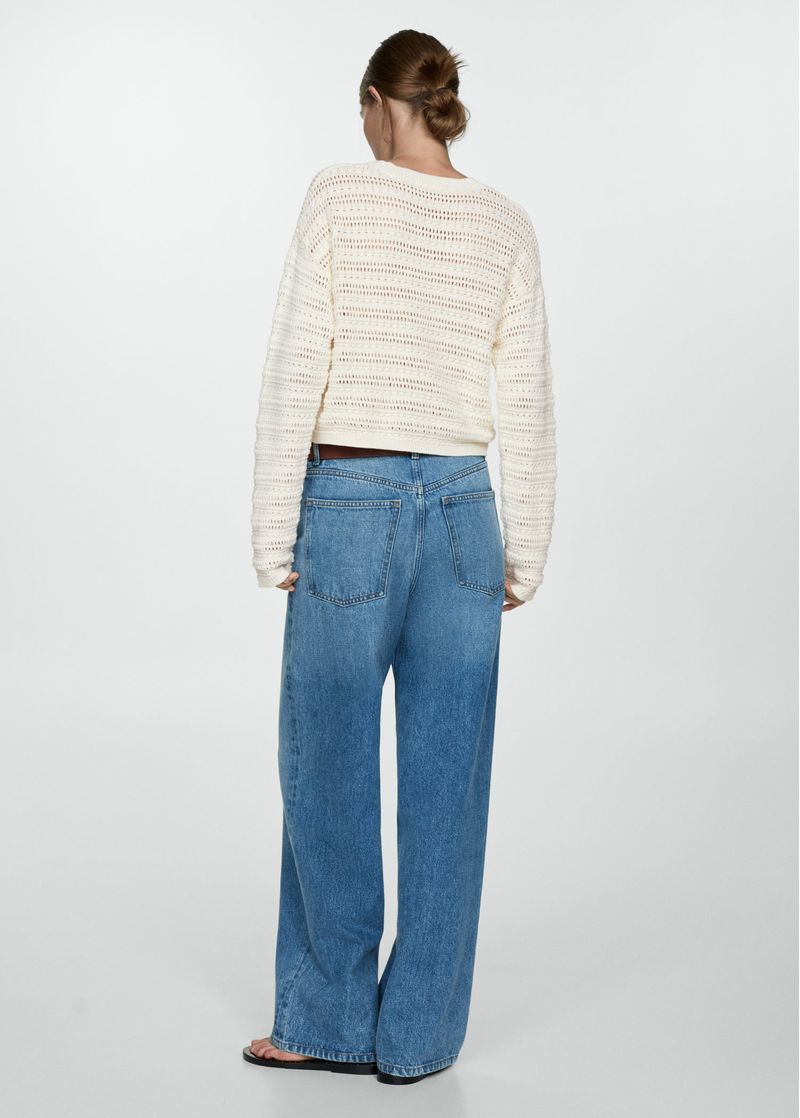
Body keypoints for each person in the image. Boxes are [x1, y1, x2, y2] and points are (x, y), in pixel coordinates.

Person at [243, 28, 557, 1085]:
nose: (363, 129)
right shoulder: (506, 223)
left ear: (382, 102)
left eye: (364, 111)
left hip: (352, 502)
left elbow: (297, 360)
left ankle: (327, 1019)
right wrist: (525, 550)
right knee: (447, 783)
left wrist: (272, 529)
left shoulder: (340, 194)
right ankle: (417, 1037)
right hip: (467, 513)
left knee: (325, 766)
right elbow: (528, 396)